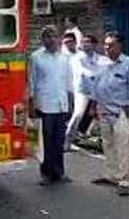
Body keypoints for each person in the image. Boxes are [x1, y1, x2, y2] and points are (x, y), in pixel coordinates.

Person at [88, 31, 129, 196]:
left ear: (120, 46)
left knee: (122, 146)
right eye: (105, 44)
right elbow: (96, 86)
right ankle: (110, 174)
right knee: (107, 143)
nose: (106, 48)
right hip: (103, 110)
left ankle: (124, 179)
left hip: (121, 111)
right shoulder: (101, 63)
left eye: (110, 45)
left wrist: (127, 110)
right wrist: (93, 105)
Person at [28, 25, 74, 186]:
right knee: (46, 142)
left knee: (59, 141)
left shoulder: (64, 58)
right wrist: (31, 104)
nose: (51, 39)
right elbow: (31, 82)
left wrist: (70, 104)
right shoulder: (36, 57)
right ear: (43, 39)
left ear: (58, 38)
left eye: (54, 36)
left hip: (61, 104)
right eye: (47, 36)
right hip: (45, 105)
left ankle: (59, 173)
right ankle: (46, 174)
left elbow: (69, 83)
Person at [65, 34, 108, 150]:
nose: (84, 44)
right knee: (78, 114)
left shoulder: (100, 59)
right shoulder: (77, 58)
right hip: (82, 91)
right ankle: (66, 141)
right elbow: (82, 71)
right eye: (83, 42)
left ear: (94, 45)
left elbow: (107, 69)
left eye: (88, 42)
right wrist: (95, 74)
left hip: (98, 91)